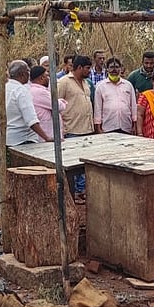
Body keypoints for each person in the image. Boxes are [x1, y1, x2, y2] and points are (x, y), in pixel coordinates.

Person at [57, 55, 94, 202]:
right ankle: (74, 194)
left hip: (86, 128)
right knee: (72, 165)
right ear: (79, 68)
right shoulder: (64, 82)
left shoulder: (86, 83)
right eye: (87, 68)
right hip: (71, 128)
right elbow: (55, 104)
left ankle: (82, 190)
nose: (89, 71)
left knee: (85, 163)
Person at [5, 60, 52, 145]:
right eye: (28, 71)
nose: (29, 74)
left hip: (9, 139)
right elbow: (31, 119)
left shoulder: (3, 89)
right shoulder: (21, 91)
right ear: (22, 74)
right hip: (24, 139)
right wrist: (46, 137)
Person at [93, 57, 136, 134]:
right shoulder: (100, 86)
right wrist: (98, 128)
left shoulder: (128, 85)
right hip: (108, 128)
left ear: (120, 69)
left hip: (126, 127)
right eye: (111, 67)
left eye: (116, 67)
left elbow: (133, 106)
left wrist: (135, 124)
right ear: (107, 69)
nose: (114, 70)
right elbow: (98, 109)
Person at [29, 65, 65, 142]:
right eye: (47, 76)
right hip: (48, 137)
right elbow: (59, 106)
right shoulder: (40, 92)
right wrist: (61, 101)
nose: (48, 79)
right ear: (41, 78)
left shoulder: (31, 90)